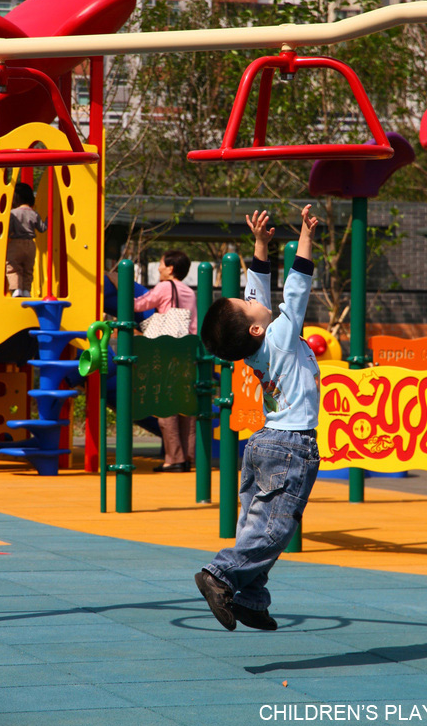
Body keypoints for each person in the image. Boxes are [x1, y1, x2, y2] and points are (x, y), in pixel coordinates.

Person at [195, 206, 320, 631]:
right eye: (247, 306)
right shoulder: (281, 335)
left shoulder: (256, 347)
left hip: (263, 444)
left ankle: (250, 599)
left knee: (255, 523)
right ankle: (222, 575)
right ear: (254, 329)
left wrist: (261, 246)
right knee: (274, 530)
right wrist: (304, 236)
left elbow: (258, 293)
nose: (253, 301)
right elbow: (298, 286)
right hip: (291, 447)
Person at [134, 250, 198, 473]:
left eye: (160, 263)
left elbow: (139, 305)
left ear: (170, 268)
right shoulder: (190, 292)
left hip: (167, 351)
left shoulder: (163, 287)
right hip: (188, 352)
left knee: (164, 404)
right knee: (185, 404)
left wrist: (120, 286)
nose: (159, 267)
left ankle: (174, 459)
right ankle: (188, 456)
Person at [6, 182, 47, 298]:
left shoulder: (13, 214)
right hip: (30, 244)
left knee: (13, 267)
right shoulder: (34, 213)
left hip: (16, 243)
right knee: (28, 269)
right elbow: (42, 228)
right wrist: (48, 220)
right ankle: (26, 291)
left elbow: (8, 230)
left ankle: (16, 289)